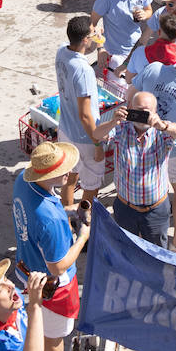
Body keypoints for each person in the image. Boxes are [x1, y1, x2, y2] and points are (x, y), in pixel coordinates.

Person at [10, 142, 91, 351]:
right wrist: (83, 236)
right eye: (62, 170)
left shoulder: (22, 182)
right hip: (54, 289)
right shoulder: (50, 220)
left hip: (25, 270)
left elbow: (33, 215)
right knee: (54, 341)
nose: (69, 172)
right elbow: (58, 266)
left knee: (38, 329)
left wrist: (67, 210)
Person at [128, 34, 176, 256]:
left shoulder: (153, 69)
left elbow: (130, 95)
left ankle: (138, 234)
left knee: (142, 191)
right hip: (173, 152)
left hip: (141, 143)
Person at [89, 91, 176, 248]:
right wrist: (113, 122)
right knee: (127, 249)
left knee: (157, 254)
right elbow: (96, 135)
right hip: (125, 208)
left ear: (155, 112)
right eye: (137, 110)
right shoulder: (121, 129)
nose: (141, 115)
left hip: (155, 210)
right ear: (130, 109)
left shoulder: (161, 131)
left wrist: (163, 126)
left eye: (146, 112)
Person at [53, 17, 103, 208]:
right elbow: (85, 115)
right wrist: (98, 143)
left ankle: (67, 216)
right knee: (92, 184)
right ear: (84, 40)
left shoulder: (61, 51)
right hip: (85, 138)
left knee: (69, 177)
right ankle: (85, 222)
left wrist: (94, 34)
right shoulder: (83, 70)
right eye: (92, 34)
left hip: (65, 130)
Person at [90, 0, 153, 90]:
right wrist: (100, 48)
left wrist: (145, 15)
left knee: (136, 89)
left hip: (136, 49)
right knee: (118, 92)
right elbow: (92, 24)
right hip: (115, 52)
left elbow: (149, 10)